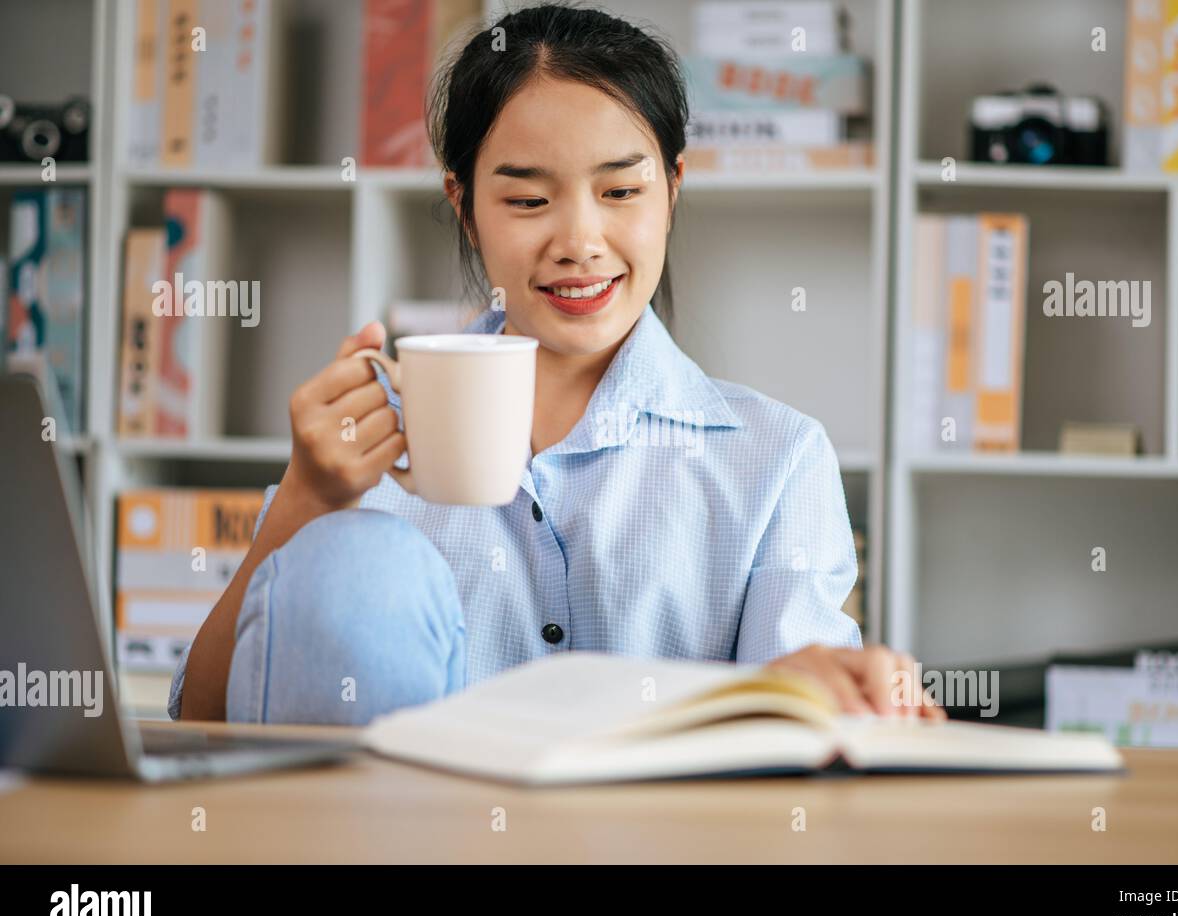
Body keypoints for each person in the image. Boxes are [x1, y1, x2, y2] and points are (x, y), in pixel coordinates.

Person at [173, 3, 945, 725]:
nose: (579, 240)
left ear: (672, 191)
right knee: (357, 564)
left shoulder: (775, 461)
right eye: (528, 201)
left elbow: (799, 742)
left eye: (619, 190)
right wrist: (306, 497)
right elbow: (202, 721)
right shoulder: (361, 449)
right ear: (464, 206)